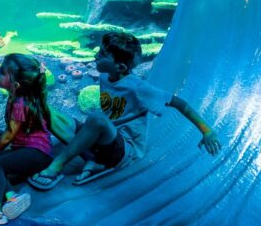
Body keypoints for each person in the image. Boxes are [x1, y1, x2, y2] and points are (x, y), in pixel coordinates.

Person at [28, 32, 221, 190]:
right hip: (105, 141)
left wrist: (207, 131)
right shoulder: (105, 76)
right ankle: (95, 159)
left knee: (96, 118)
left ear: (120, 66)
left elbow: (181, 104)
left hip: (126, 150)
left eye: (103, 54)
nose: (96, 55)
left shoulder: (138, 87)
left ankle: (57, 166)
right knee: (44, 108)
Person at [0, 54, 53, 226]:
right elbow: (21, 127)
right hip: (33, 152)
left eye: (2, 72)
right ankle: (12, 197)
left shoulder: (19, 102)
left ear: (16, 84)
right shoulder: (21, 98)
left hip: (37, 153)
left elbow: (9, 135)